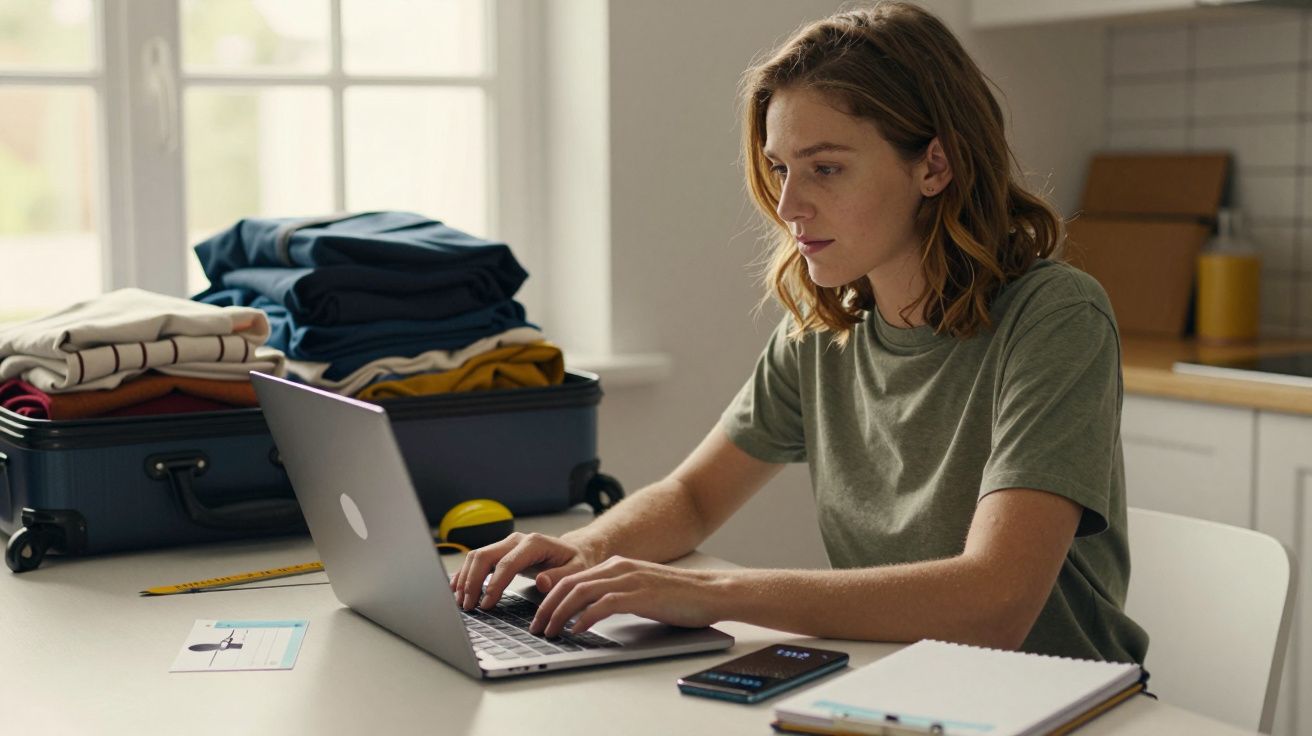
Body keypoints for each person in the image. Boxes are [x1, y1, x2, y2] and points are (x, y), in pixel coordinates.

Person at [452, 0, 1148, 664]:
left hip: (1061, 703)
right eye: (782, 168)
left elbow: (994, 601)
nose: (788, 204)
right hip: (898, 687)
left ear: (934, 165)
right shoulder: (824, 330)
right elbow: (694, 498)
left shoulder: (1055, 317)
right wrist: (586, 550)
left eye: (826, 168)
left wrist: (714, 594)